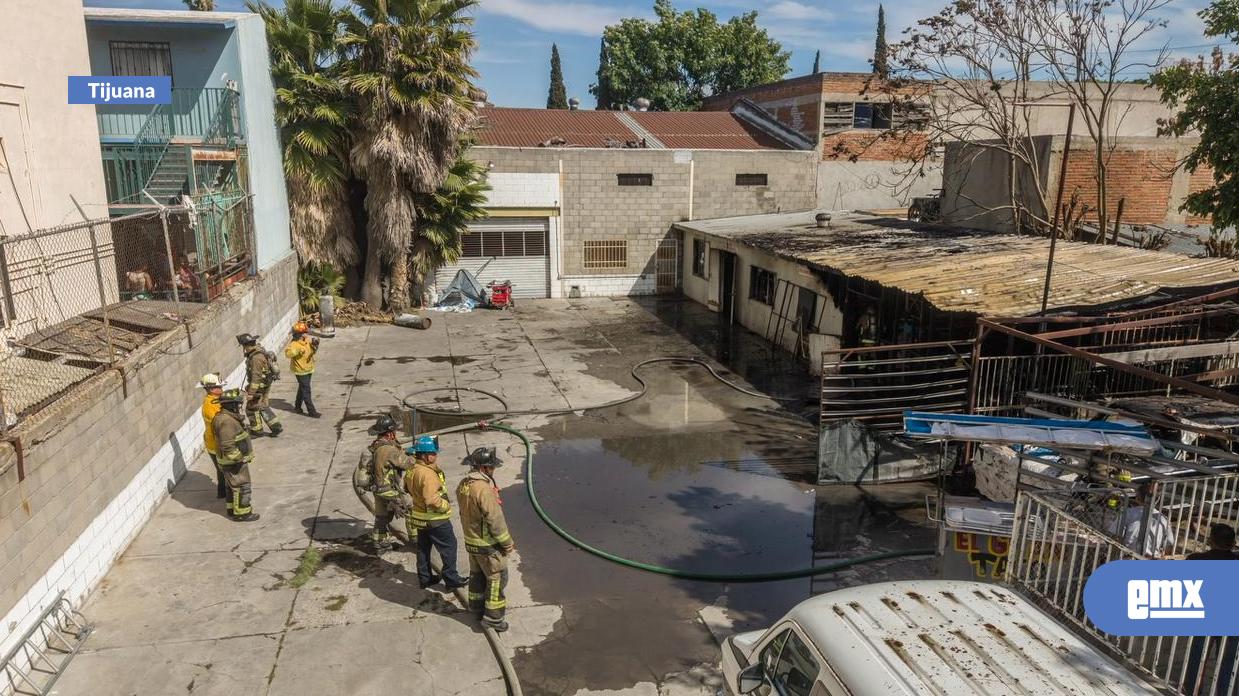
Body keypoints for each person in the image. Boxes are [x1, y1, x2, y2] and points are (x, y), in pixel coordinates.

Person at [457, 447, 515, 632]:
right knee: (496, 578)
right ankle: (493, 619)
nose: (494, 470)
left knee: (477, 577)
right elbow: (495, 519)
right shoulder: (483, 489)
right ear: (484, 468)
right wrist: (506, 543)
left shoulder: (464, 484)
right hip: (487, 545)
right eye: (492, 467)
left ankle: (476, 609)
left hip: (471, 541)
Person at [404, 435, 467, 590]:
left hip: (419, 517)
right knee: (449, 547)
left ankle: (425, 578)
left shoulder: (412, 470)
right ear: (424, 456)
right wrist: (444, 505)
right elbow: (431, 499)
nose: (436, 455)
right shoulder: (427, 474)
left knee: (423, 549)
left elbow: (406, 489)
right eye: (433, 453)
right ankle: (451, 579)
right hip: (435, 519)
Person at [1184, 523, 1239, 695]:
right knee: (1228, 661)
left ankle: (1192, 690)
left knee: (1198, 657)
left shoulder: (1195, 560)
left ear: (1211, 540)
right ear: (1233, 543)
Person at [211, 388, 260, 521]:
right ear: (231, 405)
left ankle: (232, 510)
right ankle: (243, 513)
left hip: (230, 461)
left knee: (232, 486)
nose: (239, 406)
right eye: (237, 404)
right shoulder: (226, 421)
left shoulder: (226, 417)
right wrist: (239, 458)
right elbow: (227, 445)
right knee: (241, 485)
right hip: (233, 462)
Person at [367, 415, 411, 552]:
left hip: (377, 488)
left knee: (381, 516)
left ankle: (380, 542)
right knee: (410, 508)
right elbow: (406, 464)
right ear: (390, 433)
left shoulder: (377, 445)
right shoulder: (388, 449)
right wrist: (414, 456)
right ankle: (416, 540)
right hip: (388, 489)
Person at [237, 333, 282, 436]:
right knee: (261, 406)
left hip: (259, 387)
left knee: (252, 407)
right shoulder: (259, 351)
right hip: (264, 385)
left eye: (244, 346)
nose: (243, 349)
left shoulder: (255, 358)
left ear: (246, 346)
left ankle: (259, 429)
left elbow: (256, 377)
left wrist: (251, 393)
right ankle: (274, 426)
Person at [1115, 481, 1173, 557]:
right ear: (1157, 500)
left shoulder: (1127, 513)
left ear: (1137, 497)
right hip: (1152, 559)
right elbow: (1169, 546)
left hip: (1129, 556)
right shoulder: (1163, 518)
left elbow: (1115, 537)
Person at [198, 373, 227, 499]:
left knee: (223, 471)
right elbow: (220, 423)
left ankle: (223, 494)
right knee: (223, 470)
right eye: (219, 387)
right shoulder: (209, 405)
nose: (222, 389)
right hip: (215, 444)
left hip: (218, 442)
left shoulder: (216, 399)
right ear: (210, 389)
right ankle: (225, 494)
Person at [284, 321, 320, 418]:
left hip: (308, 368)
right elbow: (288, 354)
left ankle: (297, 407)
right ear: (299, 334)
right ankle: (311, 411)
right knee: (306, 390)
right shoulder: (294, 344)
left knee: (302, 388)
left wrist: (315, 346)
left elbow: (312, 352)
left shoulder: (307, 340)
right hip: (300, 370)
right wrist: (298, 351)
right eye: (304, 332)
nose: (306, 334)